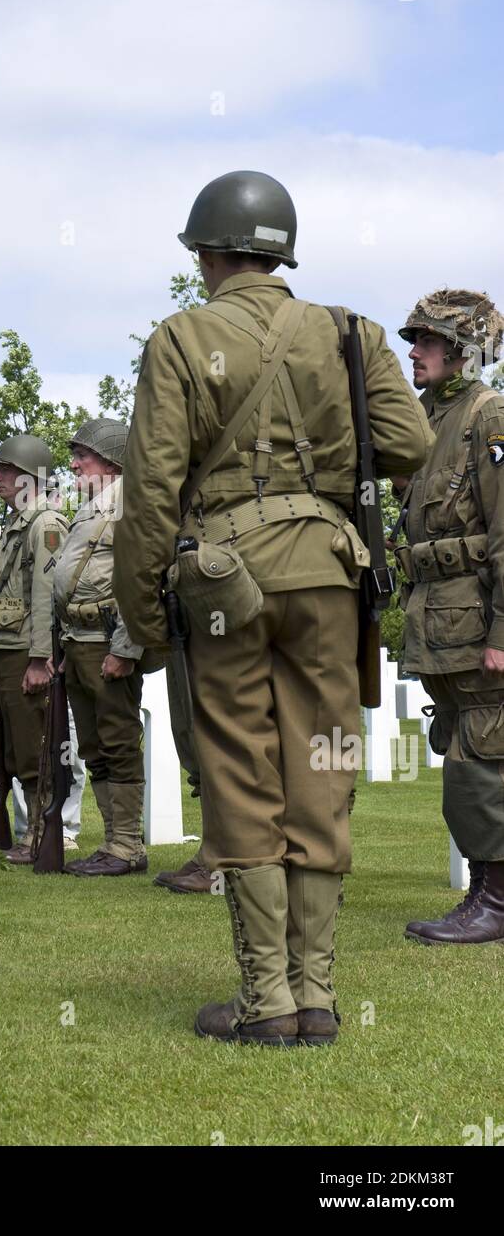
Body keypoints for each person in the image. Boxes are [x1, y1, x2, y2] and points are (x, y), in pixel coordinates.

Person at [114, 170, 431, 1046]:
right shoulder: (350, 333)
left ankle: (267, 1002)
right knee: (323, 768)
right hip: (330, 577)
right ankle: (317, 998)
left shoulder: (181, 338)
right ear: (280, 251)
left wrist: (142, 621)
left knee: (242, 776)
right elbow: (411, 444)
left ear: (206, 252)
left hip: (225, 586)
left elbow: (150, 492)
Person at [394, 291, 504, 944]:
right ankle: (483, 893)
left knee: (481, 764)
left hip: (475, 628)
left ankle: (496, 901)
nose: (414, 351)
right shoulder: (430, 420)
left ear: (463, 352)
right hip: (439, 621)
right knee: (469, 758)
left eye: (427, 341)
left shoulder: (489, 418)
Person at [54, 418, 148, 876]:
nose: (73, 464)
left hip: (108, 639)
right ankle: (114, 842)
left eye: (82, 456)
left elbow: (141, 579)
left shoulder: (129, 505)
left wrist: (125, 648)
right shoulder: (91, 508)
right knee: (92, 745)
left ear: (110, 462)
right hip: (78, 640)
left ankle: (128, 845)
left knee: (118, 741)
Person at [0, 435, 68, 864]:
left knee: (34, 750)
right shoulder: (16, 526)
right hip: (5, 650)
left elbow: (46, 596)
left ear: (30, 477)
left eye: (6, 469)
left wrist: (40, 658)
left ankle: (38, 836)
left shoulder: (45, 524)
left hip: (26, 654)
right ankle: (26, 834)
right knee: (11, 751)